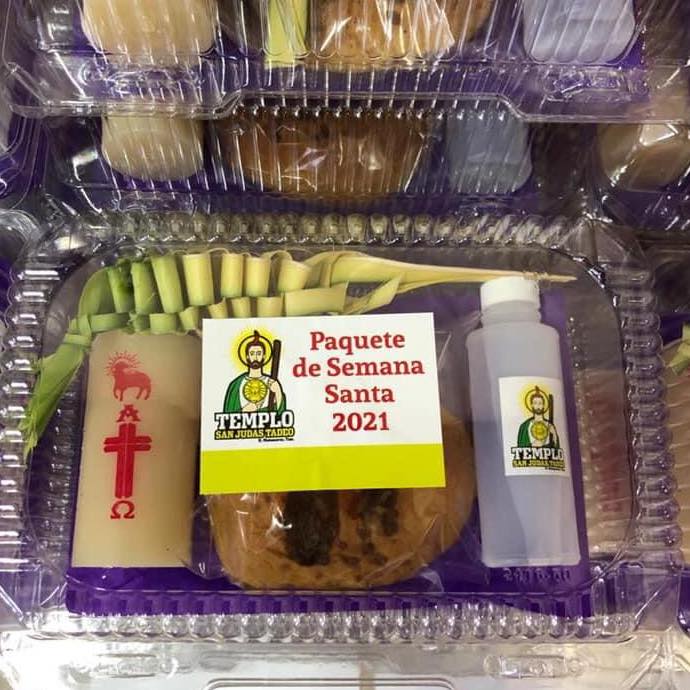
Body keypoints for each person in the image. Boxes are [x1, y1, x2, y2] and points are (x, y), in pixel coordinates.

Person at [223, 331, 285, 413]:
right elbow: (227, 415)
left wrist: (278, 392)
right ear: (247, 357)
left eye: (259, 354)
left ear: (264, 356)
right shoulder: (236, 385)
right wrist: (244, 410)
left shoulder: (272, 383)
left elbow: (281, 415)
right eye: (252, 354)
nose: (255, 358)